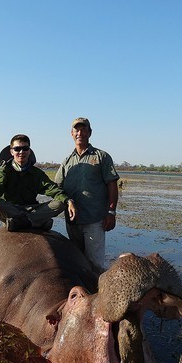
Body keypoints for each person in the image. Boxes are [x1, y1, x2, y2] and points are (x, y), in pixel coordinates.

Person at [55, 117, 119, 274]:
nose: (80, 133)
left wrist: (111, 212)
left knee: (94, 265)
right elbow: (56, 187)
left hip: (94, 220)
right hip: (72, 221)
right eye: (76, 130)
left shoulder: (101, 156)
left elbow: (112, 184)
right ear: (71, 134)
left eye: (83, 129)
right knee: (76, 262)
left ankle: (98, 295)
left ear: (90, 132)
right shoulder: (67, 161)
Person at [0, 134, 76, 231]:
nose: (21, 152)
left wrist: (68, 200)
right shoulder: (4, 171)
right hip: (12, 209)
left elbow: (52, 188)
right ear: (11, 151)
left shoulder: (37, 173)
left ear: (29, 151)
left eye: (25, 148)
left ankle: (22, 222)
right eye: (17, 149)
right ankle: (36, 222)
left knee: (61, 203)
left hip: (33, 209)